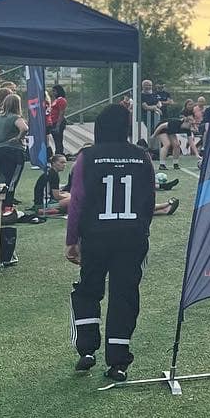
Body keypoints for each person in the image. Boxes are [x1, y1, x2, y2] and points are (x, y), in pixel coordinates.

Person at [66, 102, 158, 380]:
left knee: (87, 290)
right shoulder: (142, 157)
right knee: (124, 295)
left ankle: (86, 349)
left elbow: (77, 201)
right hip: (132, 236)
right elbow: (149, 201)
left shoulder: (87, 157)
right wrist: (141, 229)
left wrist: (72, 239)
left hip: (96, 236)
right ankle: (118, 361)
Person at [0, 94, 29, 198]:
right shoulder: (15, 117)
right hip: (13, 150)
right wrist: (18, 138)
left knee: (3, 176)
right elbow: (24, 128)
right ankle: (9, 200)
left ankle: (0, 198)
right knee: (13, 177)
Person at [46, 83, 68, 159]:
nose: (53, 93)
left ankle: (59, 154)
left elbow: (61, 113)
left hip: (58, 122)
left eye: (54, 91)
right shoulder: (56, 100)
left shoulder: (61, 100)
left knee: (58, 140)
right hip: (53, 121)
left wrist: (58, 125)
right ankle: (57, 154)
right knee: (56, 139)